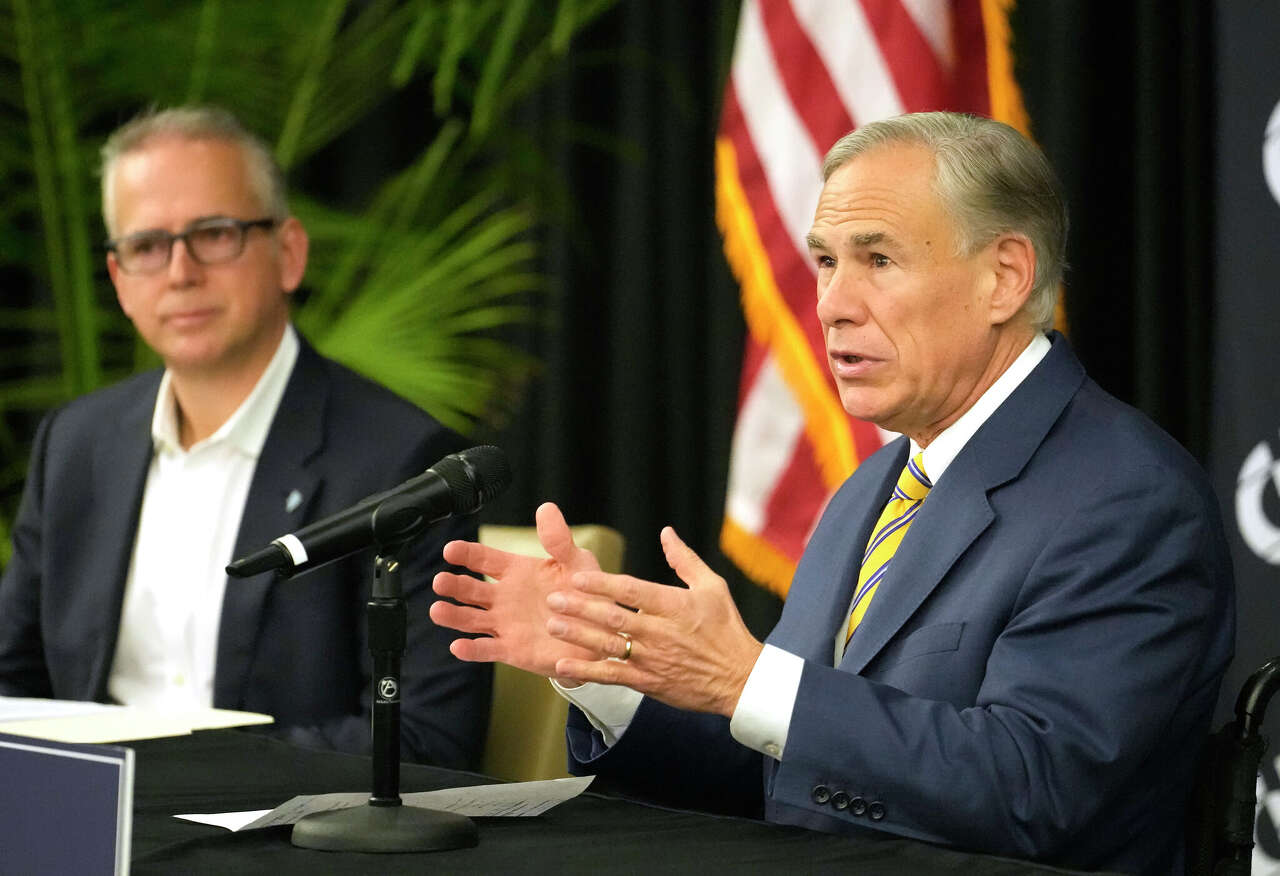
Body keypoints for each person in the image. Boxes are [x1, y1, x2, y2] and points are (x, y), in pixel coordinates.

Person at [429, 112, 1235, 873]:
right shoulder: (873, 488)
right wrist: (609, 669)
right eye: (825, 260)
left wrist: (749, 681)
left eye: (878, 260)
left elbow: (1039, 791)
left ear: (1005, 277)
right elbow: (785, 772)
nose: (832, 305)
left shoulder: (1127, 500)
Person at [0, 106, 490, 769]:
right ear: (119, 280)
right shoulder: (75, 445)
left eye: (215, 233)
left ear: (288, 254)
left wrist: (180, 774)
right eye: (147, 246)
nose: (180, 272)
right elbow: (12, 685)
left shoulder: (403, 462)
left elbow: (427, 741)